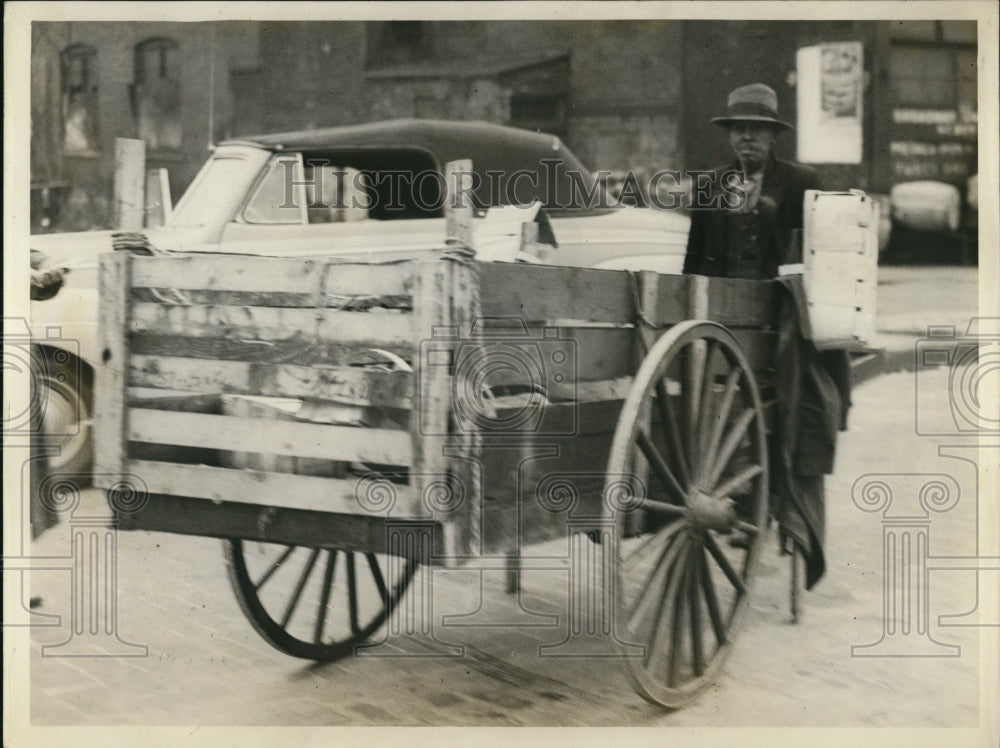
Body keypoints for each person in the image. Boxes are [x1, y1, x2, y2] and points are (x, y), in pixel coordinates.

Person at [683, 83, 851, 592]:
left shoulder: (802, 183)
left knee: (786, 417)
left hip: (780, 328)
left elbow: (823, 260)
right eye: (738, 131)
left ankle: (776, 513)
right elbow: (694, 260)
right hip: (724, 326)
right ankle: (737, 503)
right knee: (722, 417)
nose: (746, 140)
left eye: (756, 131)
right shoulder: (711, 184)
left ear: (773, 136)